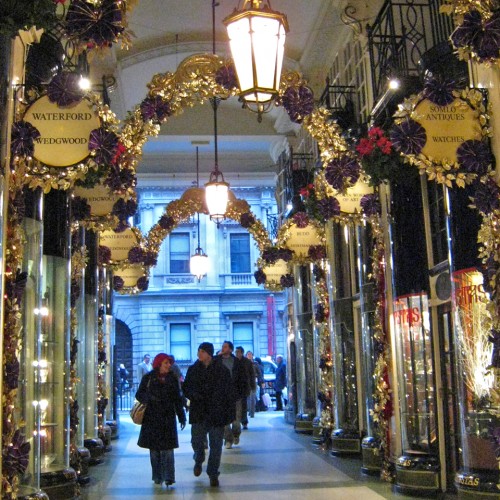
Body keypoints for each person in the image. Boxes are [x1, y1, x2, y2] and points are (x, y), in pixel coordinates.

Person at [183, 342, 235, 488]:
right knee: (197, 441)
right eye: (198, 351)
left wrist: (228, 413)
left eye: (202, 351)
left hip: (216, 413)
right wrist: (193, 396)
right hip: (199, 412)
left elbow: (228, 392)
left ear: (209, 354)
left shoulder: (221, 370)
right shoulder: (193, 370)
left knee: (216, 445)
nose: (199, 354)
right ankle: (198, 459)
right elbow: (186, 388)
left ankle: (213, 473)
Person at [135, 353, 186, 488]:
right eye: (166, 363)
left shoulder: (172, 378)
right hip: (152, 417)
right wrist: (149, 399)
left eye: (169, 363)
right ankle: (157, 476)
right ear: (159, 364)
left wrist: (181, 416)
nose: (169, 365)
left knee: (168, 449)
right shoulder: (149, 378)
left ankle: (169, 476)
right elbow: (139, 394)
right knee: (155, 450)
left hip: (167, 417)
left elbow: (177, 399)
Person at [218, 341, 249, 449]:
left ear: (230, 349)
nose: (223, 348)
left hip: (236, 394)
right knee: (225, 419)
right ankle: (228, 439)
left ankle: (236, 434)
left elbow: (243, 378)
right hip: (222, 395)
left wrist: (243, 392)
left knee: (236, 419)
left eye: (225, 347)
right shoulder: (217, 361)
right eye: (222, 346)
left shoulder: (237, 362)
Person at [235, 346, 255, 429]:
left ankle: (244, 421)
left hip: (244, 387)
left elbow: (251, 375)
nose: (236, 354)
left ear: (242, 353)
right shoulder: (233, 361)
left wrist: (252, 386)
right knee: (236, 405)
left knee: (243, 405)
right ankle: (236, 421)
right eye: (236, 352)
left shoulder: (247, 362)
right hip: (235, 387)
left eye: (238, 352)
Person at [245, 351, 261, 419]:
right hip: (246, 382)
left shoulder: (255, 363)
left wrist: (258, 377)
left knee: (252, 397)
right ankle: (249, 410)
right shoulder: (244, 363)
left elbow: (259, 372)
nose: (249, 356)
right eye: (248, 354)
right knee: (248, 397)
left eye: (250, 354)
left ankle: (252, 412)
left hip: (254, 382)